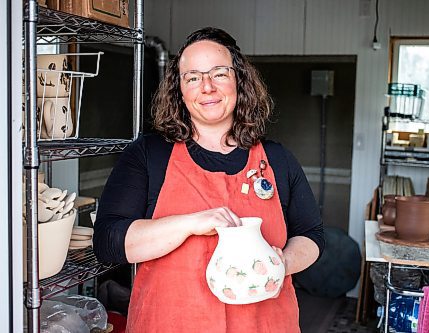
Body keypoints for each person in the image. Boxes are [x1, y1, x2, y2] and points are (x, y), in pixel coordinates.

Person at [93, 27, 324, 333]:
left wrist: (282, 263)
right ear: (179, 90)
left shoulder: (277, 160)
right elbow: (108, 242)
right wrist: (190, 223)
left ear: (239, 81)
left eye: (219, 74)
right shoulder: (149, 155)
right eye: (193, 77)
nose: (207, 87)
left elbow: (311, 235)